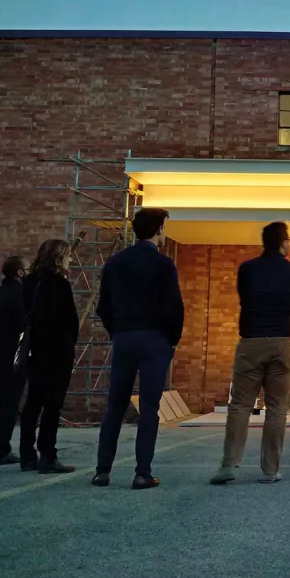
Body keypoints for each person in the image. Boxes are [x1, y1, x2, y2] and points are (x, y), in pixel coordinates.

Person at [92, 208, 184, 490]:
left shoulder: (115, 263)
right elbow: (174, 307)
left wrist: (117, 331)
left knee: (115, 406)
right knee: (149, 407)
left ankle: (102, 471)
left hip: (124, 337)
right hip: (154, 339)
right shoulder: (164, 264)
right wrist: (172, 340)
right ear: (158, 230)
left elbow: (103, 306)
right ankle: (142, 473)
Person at [210, 222, 290, 486]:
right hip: (282, 342)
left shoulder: (247, 269)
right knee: (276, 408)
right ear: (283, 242)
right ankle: (270, 470)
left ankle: (228, 464)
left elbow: (244, 298)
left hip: (251, 341)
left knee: (240, 405)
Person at [19, 239, 79, 473]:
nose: (70, 259)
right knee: (53, 404)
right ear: (58, 258)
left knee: (33, 402)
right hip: (57, 351)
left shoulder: (29, 283)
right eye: (67, 256)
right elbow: (69, 322)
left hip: (36, 349)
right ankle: (48, 455)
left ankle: (27, 455)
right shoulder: (59, 285)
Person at [0, 256, 30, 465]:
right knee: (9, 404)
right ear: (20, 272)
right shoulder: (20, 296)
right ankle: (1, 449)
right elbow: (24, 326)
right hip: (12, 357)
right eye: (27, 269)